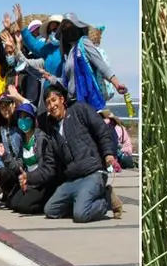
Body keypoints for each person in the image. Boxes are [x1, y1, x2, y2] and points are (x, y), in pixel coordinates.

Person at [40, 83, 123, 223]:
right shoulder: (52, 128)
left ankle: (106, 200)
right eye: (48, 103)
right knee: (50, 210)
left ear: (62, 100)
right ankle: (82, 201)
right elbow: (51, 164)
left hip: (93, 173)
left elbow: (102, 130)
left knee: (80, 215)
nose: (51, 105)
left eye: (54, 100)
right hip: (73, 179)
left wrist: (108, 154)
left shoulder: (80, 109)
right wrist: (29, 178)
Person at [0, 102, 62, 214]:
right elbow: (18, 166)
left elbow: (46, 168)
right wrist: (5, 155)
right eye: (20, 118)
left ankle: (47, 201)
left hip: (42, 182)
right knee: (12, 204)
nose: (22, 121)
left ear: (33, 120)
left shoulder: (41, 139)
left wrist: (31, 179)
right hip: (29, 181)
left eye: (26, 117)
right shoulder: (23, 140)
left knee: (24, 207)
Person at [55, 13, 128, 112]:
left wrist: (116, 84)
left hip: (88, 102)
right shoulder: (68, 54)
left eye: (71, 26)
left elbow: (102, 65)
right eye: (65, 28)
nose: (68, 31)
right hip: (74, 103)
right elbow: (68, 81)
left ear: (77, 28)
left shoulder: (84, 44)